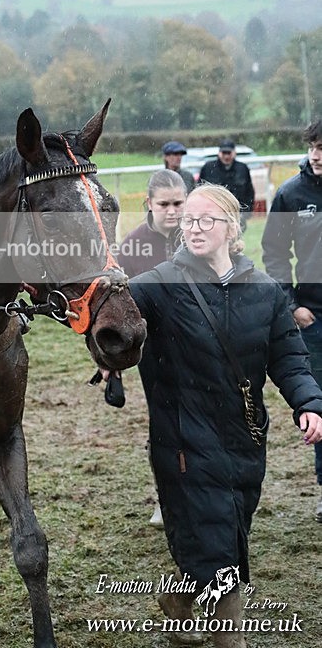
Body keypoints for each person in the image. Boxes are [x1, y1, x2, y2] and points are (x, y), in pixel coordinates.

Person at [126, 184, 322, 647]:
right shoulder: (158, 285)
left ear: (232, 228)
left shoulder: (265, 292)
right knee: (217, 544)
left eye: (205, 220)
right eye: (188, 220)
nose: (193, 228)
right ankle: (229, 639)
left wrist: (309, 404)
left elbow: (289, 359)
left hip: (245, 438)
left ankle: (177, 599)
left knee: (228, 532)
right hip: (182, 440)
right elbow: (112, 313)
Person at [262, 119, 322, 523]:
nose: (316, 155)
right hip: (314, 316)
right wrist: (290, 304)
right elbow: (274, 252)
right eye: (313, 147)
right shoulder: (291, 194)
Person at [119, 169, 187, 529]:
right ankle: (165, 496)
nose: (172, 211)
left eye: (178, 203)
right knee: (165, 425)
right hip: (157, 352)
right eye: (164, 204)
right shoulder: (132, 247)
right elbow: (122, 307)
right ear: (149, 203)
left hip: (200, 346)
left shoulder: (198, 236)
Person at [198, 139, 254, 230]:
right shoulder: (208, 168)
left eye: (229, 153)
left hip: (237, 213)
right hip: (212, 213)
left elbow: (249, 191)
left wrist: (247, 212)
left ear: (234, 153)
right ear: (219, 153)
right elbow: (199, 191)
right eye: (224, 153)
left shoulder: (242, 169)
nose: (226, 156)